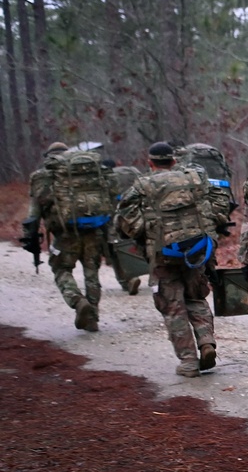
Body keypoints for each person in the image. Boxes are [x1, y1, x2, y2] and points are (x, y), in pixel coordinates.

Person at [114, 142, 231, 377]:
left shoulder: (143, 184)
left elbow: (123, 218)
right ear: (174, 161)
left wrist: (143, 231)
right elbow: (218, 201)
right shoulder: (194, 177)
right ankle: (206, 341)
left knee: (173, 307)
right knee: (196, 296)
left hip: (163, 255)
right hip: (196, 249)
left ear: (150, 163)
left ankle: (188, 361)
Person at [22, 141, 116, 332]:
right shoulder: (91, 171)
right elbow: (111, 196)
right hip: (94, 230)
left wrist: (30, 236)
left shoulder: (43, 176)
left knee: (61, 269)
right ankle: (93, 317)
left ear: (49, 157)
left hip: (65, 234)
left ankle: (77, 300)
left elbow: (34, 214)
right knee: (92, 272)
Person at [102, 158, 143, 295]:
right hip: (138, 215)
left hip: (117, 219)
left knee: (116, 251)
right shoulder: (132, 171)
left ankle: (127, 280)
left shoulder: (105, 178)